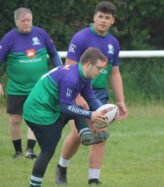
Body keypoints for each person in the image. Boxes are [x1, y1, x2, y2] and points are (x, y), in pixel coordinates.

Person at [55, 1, 127, 185]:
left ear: (113, 21)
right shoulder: (80, 38)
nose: (103, 20)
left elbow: (114, 72)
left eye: (107, 18)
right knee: (79, 134)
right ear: (94, 17)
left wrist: (121, 101)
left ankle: (93, 179)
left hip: (99, 94)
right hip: (76, 91)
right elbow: (69, 68)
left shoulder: (113, 43)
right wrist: (77, 96)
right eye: (100, 16)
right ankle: (62, 167)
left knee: (101, 134)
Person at [23, 47, 110, 187]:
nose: (101, 71)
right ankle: (34, 185)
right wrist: (90, 115)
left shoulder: (83, 75)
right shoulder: (71, 78)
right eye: (99, 68)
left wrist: (104, 111)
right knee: (48, 150)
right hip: (37, 112)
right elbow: (66, 107)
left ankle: (86, 135)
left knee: (79, 108)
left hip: (50, 108)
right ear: (88, 63)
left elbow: (90, 97)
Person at [0, 7, 62, 159]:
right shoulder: (9, 38)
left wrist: (61, 73)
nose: (27, 23)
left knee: (34, 117)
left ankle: (30, 150)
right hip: (16, 87)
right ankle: (18, 152)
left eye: (29, 20)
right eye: (23, 21)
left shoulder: (41, 34)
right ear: (16, 22)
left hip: (39, 87)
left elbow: (53, 54)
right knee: (15, 119)